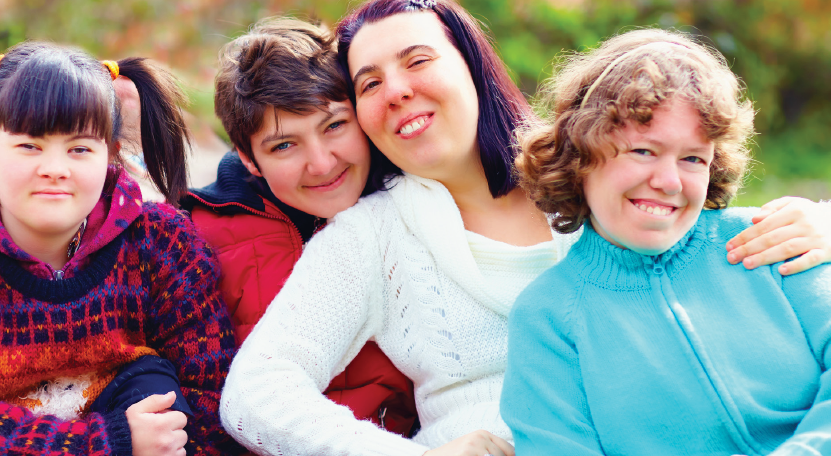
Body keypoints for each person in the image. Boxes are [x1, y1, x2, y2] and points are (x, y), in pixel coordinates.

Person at [218, 1, 831, 456]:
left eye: (418, 60)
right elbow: (255, 395)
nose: (398, 91)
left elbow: (694, 203)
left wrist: (817, 222)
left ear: (473, 67)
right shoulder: (370, 237)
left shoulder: (591, 163)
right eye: (370, 83)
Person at [0, 42, 238, 456]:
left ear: (111, 154)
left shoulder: (162, 244)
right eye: (30, 146)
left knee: (153, 385)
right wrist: (108, 442)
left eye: (80, 148)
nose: (55, 169)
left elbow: (212, 398)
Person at [503, 28, 831, 455]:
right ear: (580, 154)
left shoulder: (768, 238)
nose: (669, 181)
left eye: (693, 158)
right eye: (643, 151)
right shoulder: (548, 316)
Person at [180, 17, 418, 436]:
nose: (323, 163)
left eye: (335, 125)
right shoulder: (195, 242)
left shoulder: (416, 205)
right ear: (249, 158)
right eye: (284, 145)